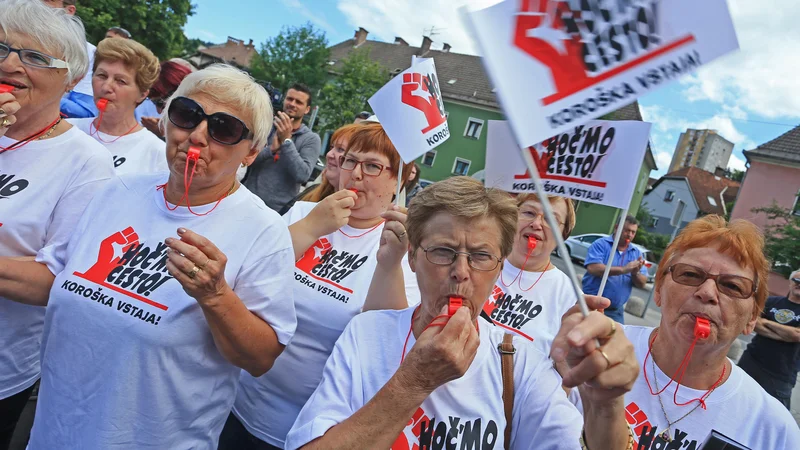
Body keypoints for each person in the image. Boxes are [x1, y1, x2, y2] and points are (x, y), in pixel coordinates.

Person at [1, 64, 298, 449]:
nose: (197, 135)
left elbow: (261, 358)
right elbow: (53, 277)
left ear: (251, 152)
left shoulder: (262, 229)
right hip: (55, 431)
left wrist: (215, 296)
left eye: (224, 129)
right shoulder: (117, 189)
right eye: (187, 115)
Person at [285, 176, 640, 450]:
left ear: (500, 268)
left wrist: (605, 406)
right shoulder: (367, 334)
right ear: (412, 258)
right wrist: (413, 382)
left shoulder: (521, 365)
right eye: (443, 251)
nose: (461, 271)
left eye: (481, 256)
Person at [221, 122, 421, 450]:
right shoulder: (304, 213)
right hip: (235, 401)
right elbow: (246, 279)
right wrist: (312, 227)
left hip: (307, 430)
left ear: (397, 178)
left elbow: (382, 341)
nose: (355, 174)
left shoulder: (402, 246)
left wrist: (389, 264)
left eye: (372, 166)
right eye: (349, 161)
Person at [0, 1, 114, 447]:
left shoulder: (86, 162)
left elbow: (55, 280)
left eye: (33, 57)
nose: (10, 64)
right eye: (3, 48)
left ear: (68, 78)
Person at [621, 216, 800, 448]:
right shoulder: (596, 351)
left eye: (733, 286)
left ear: (752, 317)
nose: (706, 292)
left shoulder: (774, 430)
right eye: (690, 274)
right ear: (659, 290)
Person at [482, 193, 578, 352]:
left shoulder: (571, 299)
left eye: (550, 219)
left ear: (563, 234)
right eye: (529, 213)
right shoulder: (477, 264)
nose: (537, 223)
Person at [68, 38, 166, 175]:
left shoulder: (156, 155)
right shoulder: (66, 130)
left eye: (121, 81)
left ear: (142, 94)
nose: (106, 87)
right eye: (102, 75)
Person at [243, 82, 321, 212]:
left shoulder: (311, 139)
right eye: (290, 99)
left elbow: (303, 175)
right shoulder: (266, 127)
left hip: (278, 211)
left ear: (307, 109)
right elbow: (245, 160)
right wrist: (270, 150)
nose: (292, 104)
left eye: (299, 102)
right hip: (247, 200)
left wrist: (286, 141)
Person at [737, 268, 800, 409]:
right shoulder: (771, 302)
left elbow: (797, 335)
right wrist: (787, 334)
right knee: (737, 399)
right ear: (790, 282)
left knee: (773, 412)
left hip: (782, 372)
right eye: (796, 280)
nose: (799, 284)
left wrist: (767, 322)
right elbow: (754, 323)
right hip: (751, 360)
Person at [582, 215, 647, 324]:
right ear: (617, 227)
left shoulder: (636, 253)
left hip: (615, 312)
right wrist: (623, 270)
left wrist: (635, 273)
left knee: (617, 340)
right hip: (592, 305)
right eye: (627, 230)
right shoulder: (601, 244)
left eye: (633, 232)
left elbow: (642, 283)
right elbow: (593, 268)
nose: (630, 235)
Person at [43, 0, 98, 119]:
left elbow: (86, 111)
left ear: (69, 11)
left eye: (47, 3)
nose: (38, 7)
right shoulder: (11, 38)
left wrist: (41, 94)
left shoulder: (87, 52)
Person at [290, 123, 359, 209]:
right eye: (331, 147)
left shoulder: (356, 212)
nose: (329, 154)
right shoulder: (313, 191)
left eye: (340, 149)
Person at [142, 59, 194, 137]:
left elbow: (194, 149)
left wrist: (163, 134)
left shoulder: (207, 119)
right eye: (154, 103)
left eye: (160, 102)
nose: (159, 111)